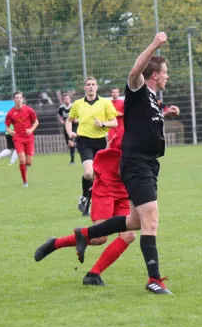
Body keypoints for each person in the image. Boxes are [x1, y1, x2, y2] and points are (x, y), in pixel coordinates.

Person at [70, 32, 180, 295]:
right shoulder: (139, 89)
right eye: (164, 72)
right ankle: (154, 279)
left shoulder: (153, 100)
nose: (167, 76)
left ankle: (84, 233)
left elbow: (143, 125)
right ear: (154, 75)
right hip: (136, 164)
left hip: (148, 164)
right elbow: (134, 72)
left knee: (133, 221)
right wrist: (154, 45)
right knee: (151, 220)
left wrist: (166, 113)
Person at [34, 126, 136, 286]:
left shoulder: (147, 127)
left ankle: (93, 274)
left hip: (124, 190)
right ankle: (55, 243)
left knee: (128, 235)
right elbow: (112, 154)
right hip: (107, 186)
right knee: (99, 238)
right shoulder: (129, 130)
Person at [65, 77, 118, 216]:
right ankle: (84, 196)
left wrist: (103, 124)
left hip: (100, 142)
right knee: (89, 173)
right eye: (88, 85)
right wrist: (70, 132)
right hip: (84, 141)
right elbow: (69, 120)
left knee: (97, 176)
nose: (90, 87)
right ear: (84, 88)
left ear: (97, 87)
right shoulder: (78, 104)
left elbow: (115, 122)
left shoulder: (105, 103)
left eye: (93, 84)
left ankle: (89, 204)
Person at [5, 91, 39, 187]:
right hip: (18, 138)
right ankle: (25, 181)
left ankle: (24, 167)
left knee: (29, 162)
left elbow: (36, 122)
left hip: (29, 138)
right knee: (22, 159)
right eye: (16, 98)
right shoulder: (11, 113)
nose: (18, 99)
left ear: (22, 99)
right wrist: (10, 131)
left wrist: (31, 129)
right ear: (13, 100)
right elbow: (7, 126)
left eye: (20, 98)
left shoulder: (28, 110)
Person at [58, 93, 78, 165]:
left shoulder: (73, 106)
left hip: (74, 126)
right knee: (69, 145)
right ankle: (76, 144)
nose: (66, 100)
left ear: (70, 99)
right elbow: (60, 116)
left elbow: (79, 116)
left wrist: (76, 119)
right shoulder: (61, 108)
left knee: (71, 143)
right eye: (65, 99)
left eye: (68, 98)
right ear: (63, 100)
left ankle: (72, 161)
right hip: (66, 127)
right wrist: (62, 121)